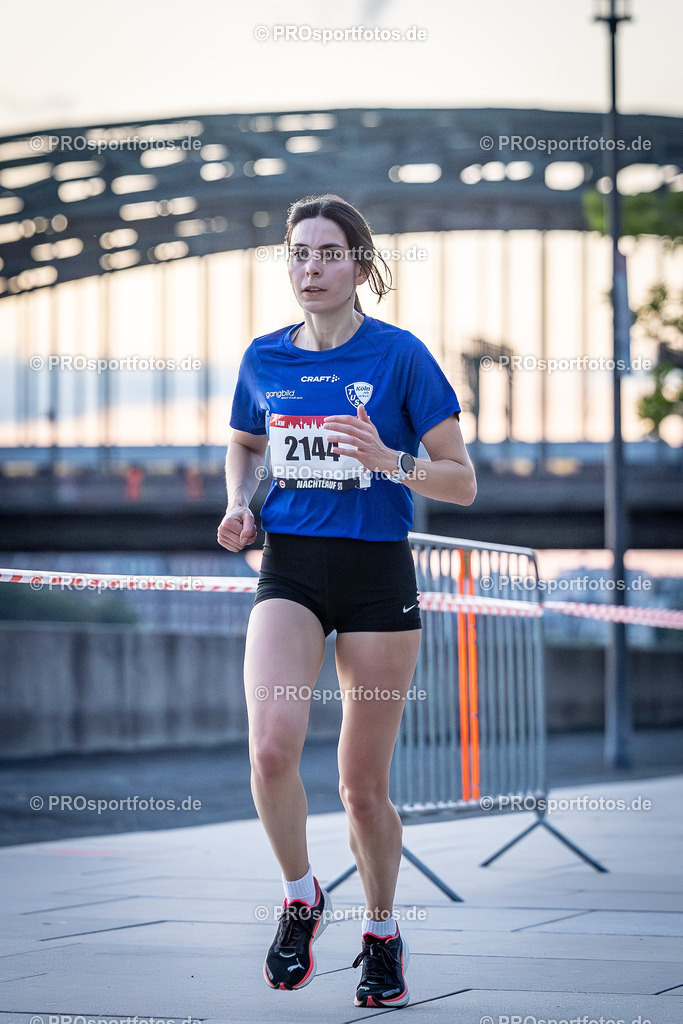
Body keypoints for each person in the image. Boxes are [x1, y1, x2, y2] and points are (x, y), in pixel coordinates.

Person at [217, 194, 476, 1009]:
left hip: (374, 576)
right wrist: (239, 504)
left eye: (327, 253)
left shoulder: (399, 356)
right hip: (290, 569)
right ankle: (301, 896)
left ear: (359, 265)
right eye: (298, 253)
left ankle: (382, 932)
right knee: (269, 749)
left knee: (361, 788)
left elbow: (461, 481)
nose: (310, 267)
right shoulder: (263, 357)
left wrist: (389, 458)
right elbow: (245, 444)